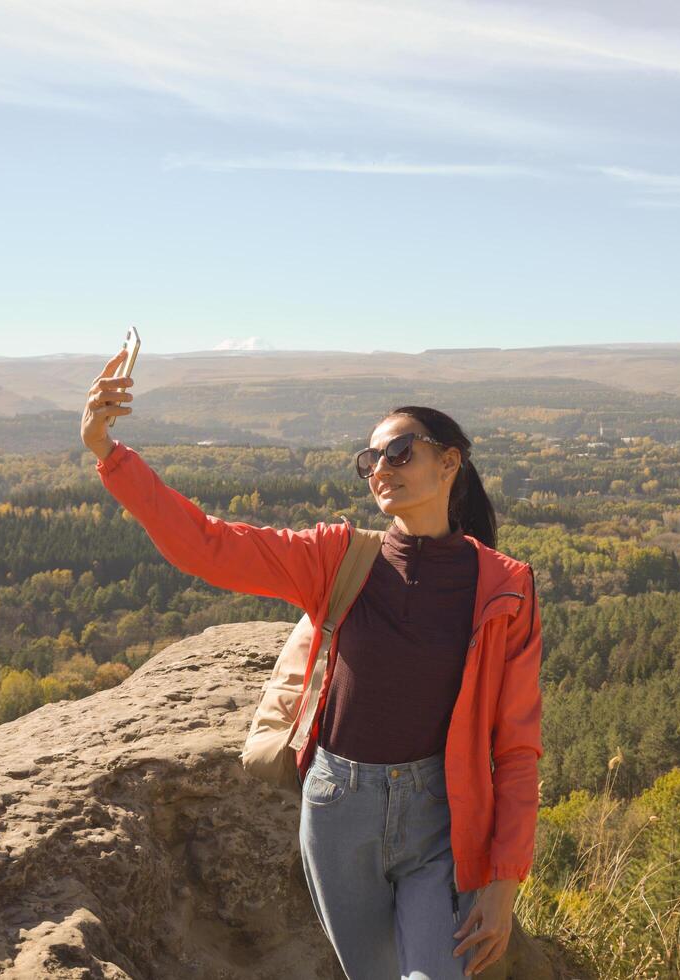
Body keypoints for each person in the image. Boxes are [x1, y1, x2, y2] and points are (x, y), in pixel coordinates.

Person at [80, 348, 543, 978]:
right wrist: (111, 454)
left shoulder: (505, 588)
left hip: (441, 814)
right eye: (370, 460)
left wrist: (504, 881)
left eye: (400, 452)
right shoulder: (339, 558)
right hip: (338, 809)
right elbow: (208, 545)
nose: (381, 468)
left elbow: (516, 748)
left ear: (449, 462)